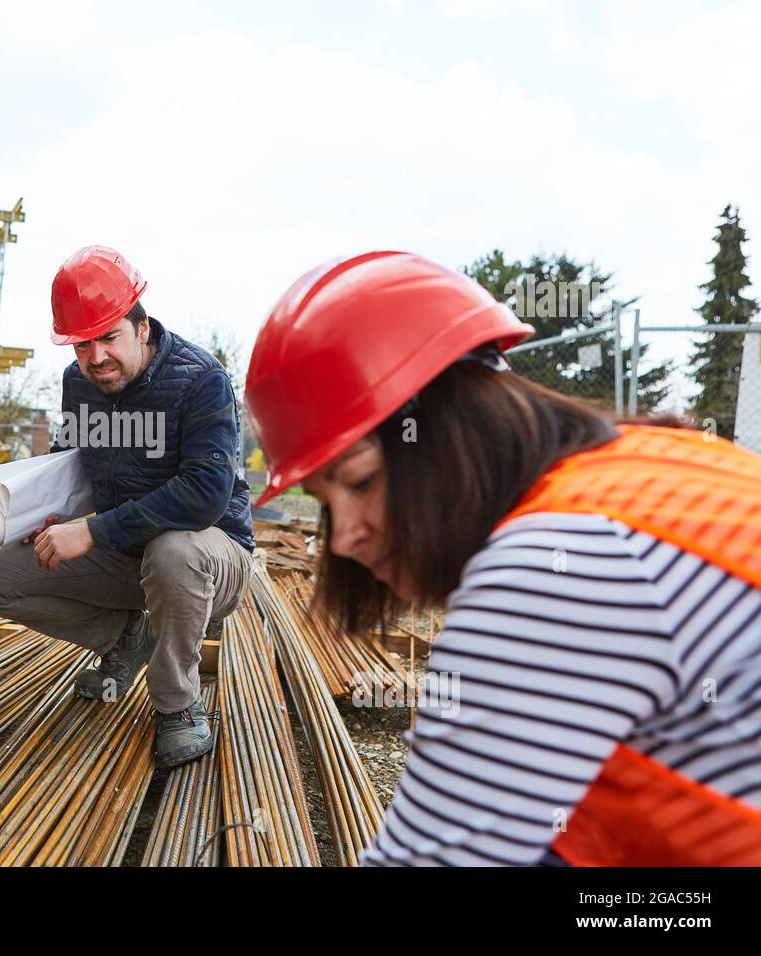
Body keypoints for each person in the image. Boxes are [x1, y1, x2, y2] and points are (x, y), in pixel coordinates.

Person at [245, 250, 761, 866]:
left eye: (358, 482)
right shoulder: (656, 462)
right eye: (322, 501)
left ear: (454, 430)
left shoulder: (555, 566)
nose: (341, 539)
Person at [0, 245, 255, 769]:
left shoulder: (202, 380)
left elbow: (205, 494)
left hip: (209, 556)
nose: (96, 357)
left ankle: (177, 704)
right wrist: (45, 513)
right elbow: (69, 459)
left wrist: (92, 531)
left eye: (109, 337)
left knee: (173, 552)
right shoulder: (81, 384)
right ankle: (127, 636)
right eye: (81, 345)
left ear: (142, 327)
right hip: (124, 551)